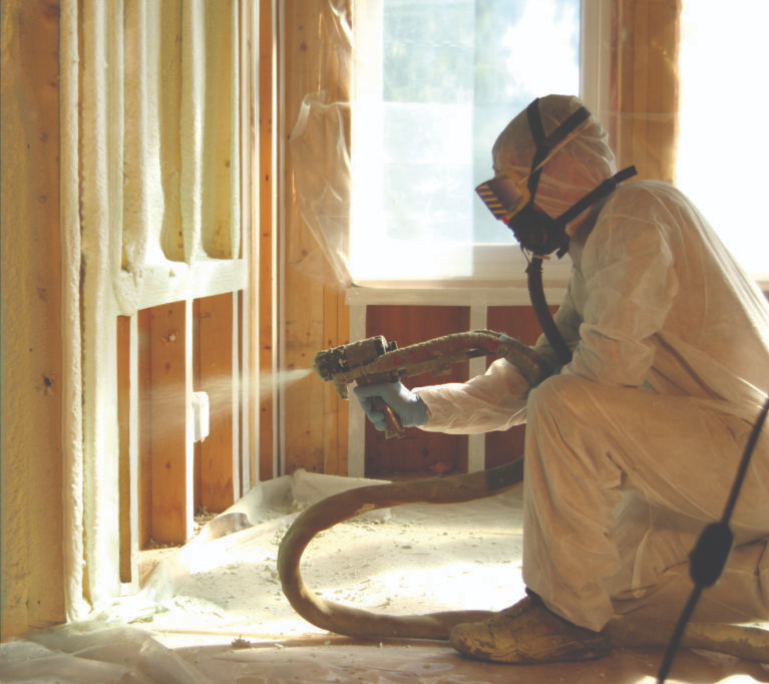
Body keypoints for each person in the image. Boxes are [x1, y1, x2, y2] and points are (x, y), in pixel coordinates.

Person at [354, 94, 769, 664]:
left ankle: (558, 618)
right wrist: (421, 406)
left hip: (749, 452)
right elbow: (534, 377)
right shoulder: (600, 247)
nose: (508, 214)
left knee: (567, 412)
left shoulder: (637, 212)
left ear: (564, 169)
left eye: (510, 189)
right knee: (615, 590)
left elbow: (596, 382)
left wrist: (547, 394)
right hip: (719, 461)